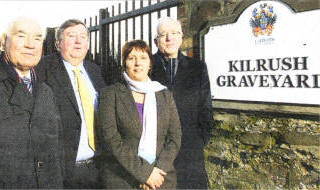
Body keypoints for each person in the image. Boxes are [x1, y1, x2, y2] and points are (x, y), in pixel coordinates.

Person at [0, 17, 63, 188]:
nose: (31, 44)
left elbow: (54, 160)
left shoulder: (46, 92)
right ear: (3, 41)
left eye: (37, 38)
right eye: (21, 36)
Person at [97, 40, 181, 189]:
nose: (138, 63)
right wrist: (145, 173)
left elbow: (174, 138)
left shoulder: (164, 94)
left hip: (161, 180)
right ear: (124, 63)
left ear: (150, 63)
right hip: (122, 180)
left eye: (143, 58)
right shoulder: (110, 94)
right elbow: (111, 140)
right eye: (131, 58)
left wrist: (157, 173)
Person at [36, 19, 106, 189]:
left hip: (97, 169)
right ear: (58, 43)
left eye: (83, 36)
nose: (78, 41)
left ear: (88, 44)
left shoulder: (95, 71)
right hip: (63, 173)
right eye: (71, 36)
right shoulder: (43, 69)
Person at [151, 17, 214, 189]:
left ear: (181, 37)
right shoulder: (146, 67)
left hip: (190, 150)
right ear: (156, 41)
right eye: (163, 34)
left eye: (174, 33)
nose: (169, 38)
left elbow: (206, 107)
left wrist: (200, 139)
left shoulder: (198, 67)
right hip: (157, 153)